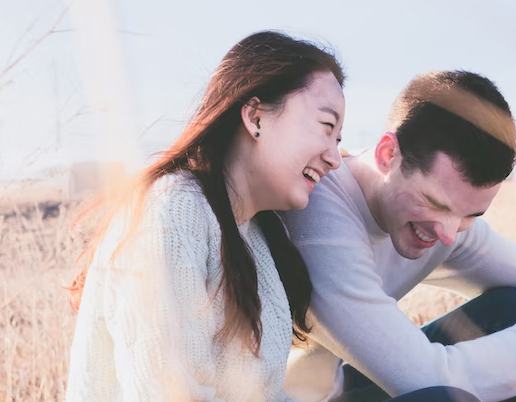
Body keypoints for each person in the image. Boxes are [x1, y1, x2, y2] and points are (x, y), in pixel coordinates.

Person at [64, 30, 482, 402]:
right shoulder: (173, 212)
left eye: (339, 139)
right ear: (255, 116)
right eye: (325, 127)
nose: (335, 158)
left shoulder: (255, 235)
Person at [279, 70, 516, 402]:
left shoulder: (445, 222)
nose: (448, 234)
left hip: (341, 385)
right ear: (388, 155)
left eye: (471, 215)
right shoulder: (318, 214)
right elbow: (428, 380)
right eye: (434, 204)